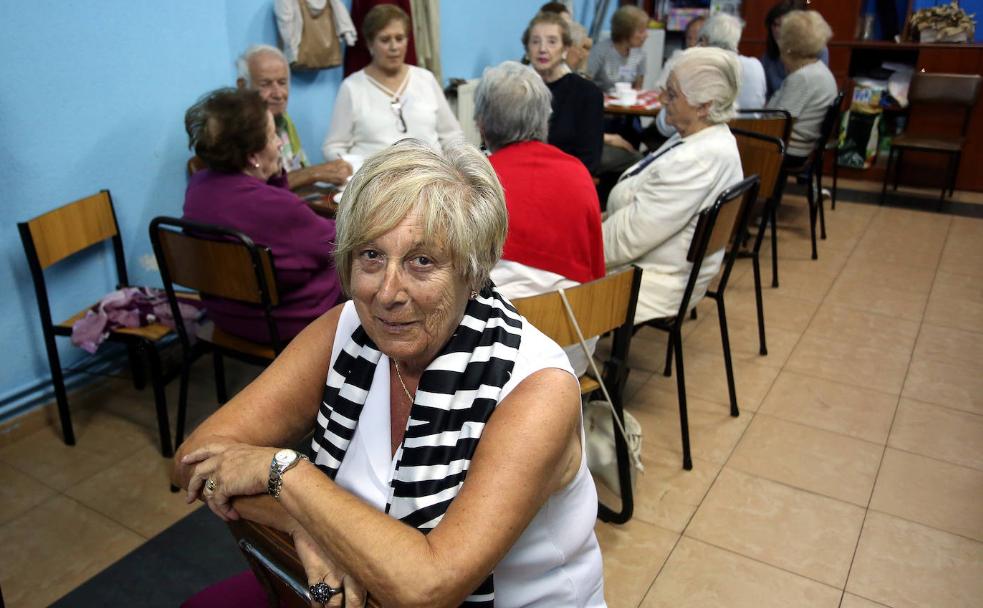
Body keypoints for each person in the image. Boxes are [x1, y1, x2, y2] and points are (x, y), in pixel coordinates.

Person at [173, 138, 606, 607]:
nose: (387, 293)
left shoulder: (535, 387)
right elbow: (194, 460)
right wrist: (305, 523)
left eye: (422, 261)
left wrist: (285, 473)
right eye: (371, 256)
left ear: (473, 271)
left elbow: (428, 586)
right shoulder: (347, 328)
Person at [183, 88, 343, 343]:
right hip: (287, 321)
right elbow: (337, 242)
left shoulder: (198, 186)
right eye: (272, 136)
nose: (280, 142)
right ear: (253, 157)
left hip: (226, 314)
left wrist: (273, 176)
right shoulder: (277, 208)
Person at [476, 61, 605, 375]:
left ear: (481, 123)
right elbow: (595, 268)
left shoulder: (476, 180)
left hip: (495, 358)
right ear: (544, 118)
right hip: (573, 349)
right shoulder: (578, 173)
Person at [603, 47, 744, 324]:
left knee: (540, 285)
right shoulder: (704, 137)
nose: (661, 98)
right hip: (657, 265)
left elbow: (627, 240)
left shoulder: (697, 160)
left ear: (704, 106)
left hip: (654, 281)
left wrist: (570, 249)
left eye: (672, 93)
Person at [322, 4, 463, 160]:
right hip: (379, 180)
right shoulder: (352, 87)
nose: (394, 47)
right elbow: (334, 147)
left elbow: (452, 136)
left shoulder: (426, 79)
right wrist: (358, 172)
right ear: (370, 44)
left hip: (430, 176)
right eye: (385, 39)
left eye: (399, 38)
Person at [236, 45, 352, 190]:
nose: (278, 94)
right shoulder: (239, 130)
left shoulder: (282, 119)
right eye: (266, 84)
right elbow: (259, 189)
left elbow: (297, 168)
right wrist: (315, 173)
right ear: (242, 86)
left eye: (282, 83)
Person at [654, 14, 767, 139]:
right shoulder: (756, 65)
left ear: (704, 41)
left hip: (703, 145)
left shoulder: (702, 70)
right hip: (755, 144)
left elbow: (665, 126)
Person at [523, 11, 604, 174]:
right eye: (535, 42)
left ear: (566, 48)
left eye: (552, 42)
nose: (542, 49)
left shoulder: (587, 93)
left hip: (566, 179)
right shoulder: (516, 90)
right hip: (520, 176)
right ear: (527, 48)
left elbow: (590, 160)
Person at [766, 10, 837, 165]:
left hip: (788, 149)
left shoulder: (803, 78)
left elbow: (778, 121)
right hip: (800, 147)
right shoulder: (819, 69)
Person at [761, 0, 830, 98]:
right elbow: (765, 95)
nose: (777, 30)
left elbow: (815, 91)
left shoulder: (818, 50)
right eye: (775, 24)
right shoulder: (769, 56)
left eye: (783, 24)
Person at [587, 5, 649, 92]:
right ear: (625, 31)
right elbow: (584, 82)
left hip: (626, 103)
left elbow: (638, 89)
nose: (646, 35)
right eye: (641, 31)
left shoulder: (640, 54)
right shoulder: (600, 51)